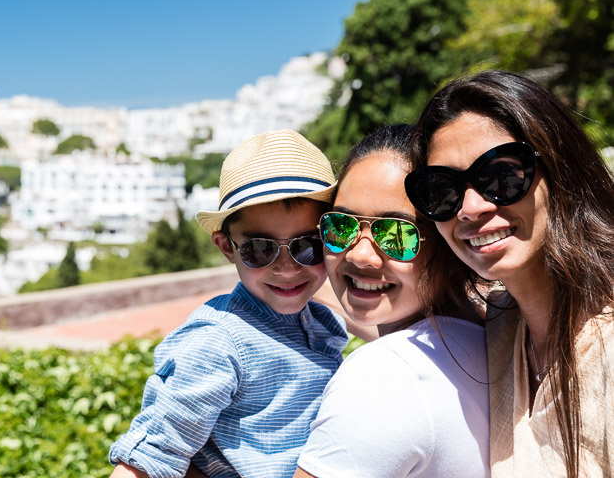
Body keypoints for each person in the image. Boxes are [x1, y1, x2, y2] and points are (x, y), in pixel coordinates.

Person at [404, 70, 614, 477]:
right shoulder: (500, 323)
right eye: (442, 189)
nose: (470, 207)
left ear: (561, 170)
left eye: (501, 175)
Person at [108, 129, 349, 478]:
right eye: (260, 249)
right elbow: (151, 458)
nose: (287, 267)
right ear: (226, 247)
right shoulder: (218, 342)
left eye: (308, 244)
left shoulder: (320, 321)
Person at [294, 124, 489, 478]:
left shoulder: (382, 377)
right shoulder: (493, 340)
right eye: (341, 226)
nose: (360, 255)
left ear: (449, 240)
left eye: (397, 233)